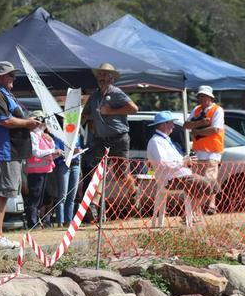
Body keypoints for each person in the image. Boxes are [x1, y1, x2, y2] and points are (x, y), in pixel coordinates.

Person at [0, 61, 39, 249]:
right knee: (0, 194)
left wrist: (28, 122)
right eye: (9, 75)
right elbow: (4, 121)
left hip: (9, 153)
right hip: (1, 153)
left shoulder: (4, 93)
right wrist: (26, 123)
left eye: (13, 75)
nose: (13, 78)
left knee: (3, 194)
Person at [82, 63, 138, 217]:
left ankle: (133, 192)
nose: (101, 77)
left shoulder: (116, 93)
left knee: (121, 175)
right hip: (101, 140)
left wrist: (111, 111)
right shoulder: (94, 97)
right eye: (100, 74)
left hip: (119, 139)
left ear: (111, 78)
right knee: (98, 172)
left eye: (105, 74)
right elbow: (84, 115)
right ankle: (94, 204)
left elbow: (134, 108)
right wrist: (73, 126)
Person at [147, 111, 218, 218]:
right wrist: (183, 162)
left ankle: (189, 214)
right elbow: (163, 164)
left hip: (180, 177)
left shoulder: (165, 140)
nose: (173, 126)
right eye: (171, 123)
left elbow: (174, 161)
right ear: (163, 124)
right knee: (206, 185)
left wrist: (187, 161)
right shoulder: (156, 141)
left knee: (214, 186)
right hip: (170, 180)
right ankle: (187, 215)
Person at [183, 85, 224, 215]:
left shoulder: (218, 110)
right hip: (199, 152)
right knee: (200, 183)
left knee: (207, 181)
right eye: (200, 96)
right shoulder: (196, 109)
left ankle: (195, 210)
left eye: (205, 96)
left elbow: (215, 129)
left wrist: (196, 131)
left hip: (212, 151)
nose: (202, 98)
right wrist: (200, 124)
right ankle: (205, 208)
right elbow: (186, 125)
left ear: (210, 97)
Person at [24, 111, 62, 228]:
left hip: (44, 170)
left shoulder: (44, 136)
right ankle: (32, 223)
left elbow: (50, 153)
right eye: (43, 121)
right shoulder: (33, 135)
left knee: (40, 199)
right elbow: (36, 152)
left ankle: (35, 221)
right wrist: (52, 151)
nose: (45, 124)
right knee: (34, 197)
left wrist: (55, 150)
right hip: (35, 171)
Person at [53, 133, 82, 228]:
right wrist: (72, 151)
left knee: (72, 196)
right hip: (63, 165)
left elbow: (79, 149)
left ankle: (69, 221)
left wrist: (78, 151)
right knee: (62, 195)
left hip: (76, 164)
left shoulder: (76, 134)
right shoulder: (58, 135)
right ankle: (60, 221)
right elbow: (57, 151)